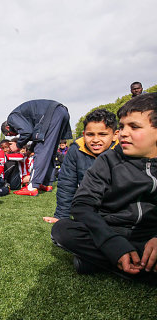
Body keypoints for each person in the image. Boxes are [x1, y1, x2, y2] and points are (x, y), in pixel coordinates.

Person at [51, 93, 157, 282]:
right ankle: (137, 264)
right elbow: (81, 202)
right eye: (123, 126)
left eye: (134, 127)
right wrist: (111, 243)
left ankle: (98, 262)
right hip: (110, 229)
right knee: (63, 230)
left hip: (150, 234)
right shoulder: (108, 160)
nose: (124, 133)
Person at [43, 109, 118, 224]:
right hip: (87, 210)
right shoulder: (76, 149)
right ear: (83, 134)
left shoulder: (123, 150)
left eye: (103, 134)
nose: (96, 140)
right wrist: (62, 216)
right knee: (60, 234)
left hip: (118, 211)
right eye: (90, 134)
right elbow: (67, 184)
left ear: (115, 135)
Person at [2, 99, 72, 196]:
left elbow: (27, 132)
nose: (16, 134)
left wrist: (18, 145)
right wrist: (30, 150)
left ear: (8, 128)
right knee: (50, 150)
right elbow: (37, 136)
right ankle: (46, 183)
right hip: (61, 111)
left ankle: (32, 186)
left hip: (51, 113)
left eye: (11, 134)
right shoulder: (24, 118)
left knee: (41, 152)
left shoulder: (12, 118)